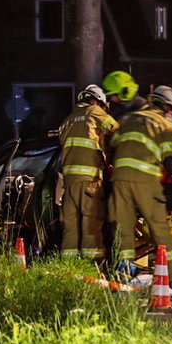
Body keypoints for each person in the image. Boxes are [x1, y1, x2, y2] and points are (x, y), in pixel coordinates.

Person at [109, 85, 172, 284]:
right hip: (145, 180)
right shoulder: (165, 126)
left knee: (123, 230)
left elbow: (113, 145)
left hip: (119, 179)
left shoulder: (127, 120)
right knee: (159, 229)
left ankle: (123, 274)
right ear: (166, 107)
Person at [57, 84, 118, 263]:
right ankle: (93, 272)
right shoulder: (93, 111)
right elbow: (117, 130)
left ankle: (69, 272)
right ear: (94, 101)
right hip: (90, 182)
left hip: (68, 185)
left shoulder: (66, 121)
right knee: (91, 229)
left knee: (71, 231)